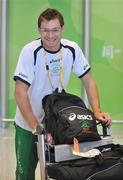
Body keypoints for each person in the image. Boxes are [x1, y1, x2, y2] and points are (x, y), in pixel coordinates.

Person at [13, 8, 111, 180]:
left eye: (55, 30)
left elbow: (88, 80)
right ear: (39, 30)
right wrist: (36, 127)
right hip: (28, 122)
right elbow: (20, 92)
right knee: (24, 174)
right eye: (45, 30)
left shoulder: (71, 49)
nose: (50, 36)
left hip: (57, 123)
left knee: (57, 171)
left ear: (62, 29)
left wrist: (96, 110)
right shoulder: (30, 51)